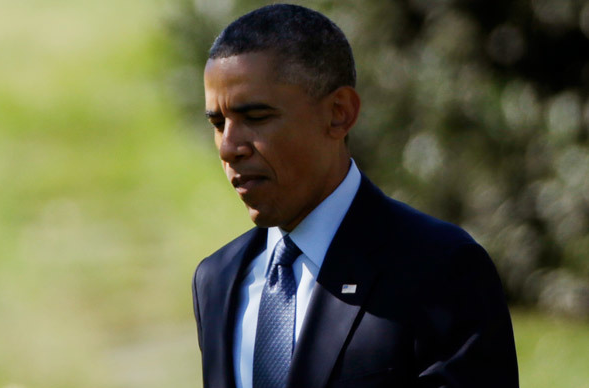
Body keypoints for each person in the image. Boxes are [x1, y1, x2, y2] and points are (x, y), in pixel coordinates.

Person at [191, 4, 518, 388]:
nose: (229, 147)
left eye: (257, 117)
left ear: (339, 113)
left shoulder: (441, 270)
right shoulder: (216, 280)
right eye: (217, 123)